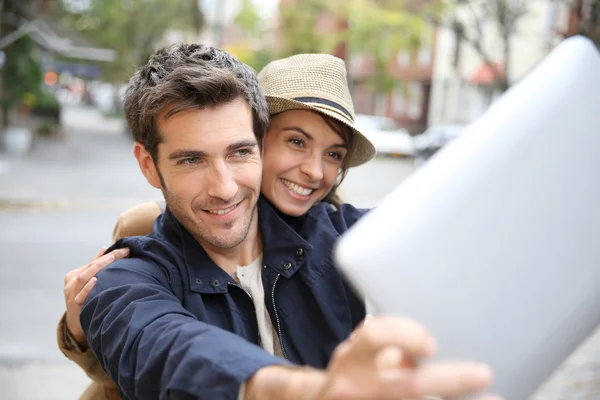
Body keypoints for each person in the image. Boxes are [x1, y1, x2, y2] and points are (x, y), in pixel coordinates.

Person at [65, 44, 496, 400]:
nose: (224, 187)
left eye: (239, 152)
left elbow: (451, 231)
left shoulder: (338, 237)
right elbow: (164, 347)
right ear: (149, 165)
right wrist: (308, 391)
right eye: (192, 159)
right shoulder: (124, 274)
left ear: (260, 143)